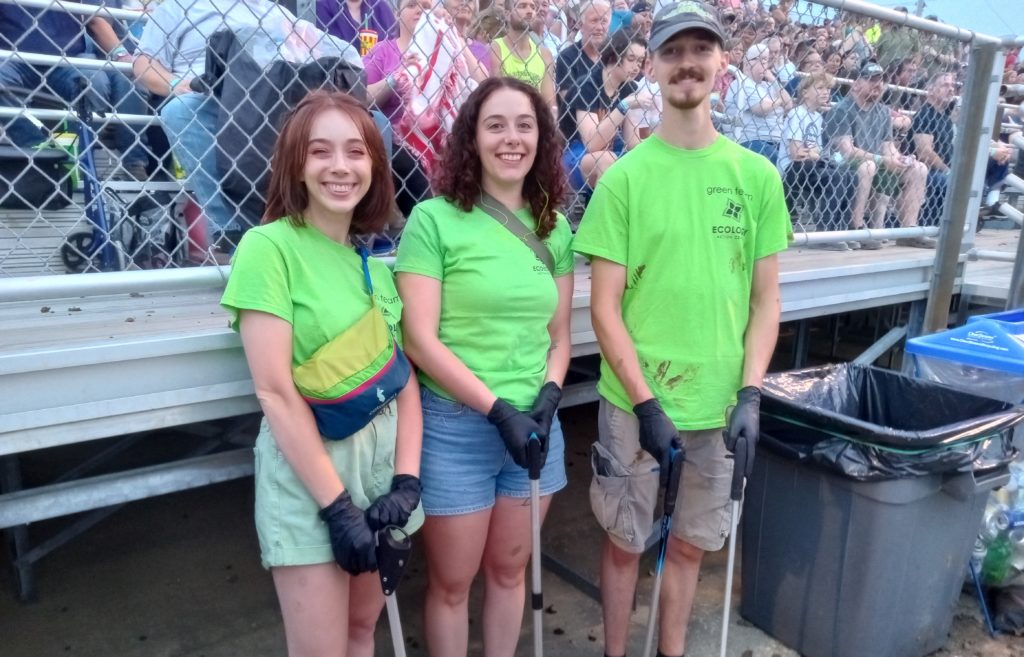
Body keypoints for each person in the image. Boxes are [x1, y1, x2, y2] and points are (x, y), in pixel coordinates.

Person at [572, 4, 788, 657]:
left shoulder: (755, 177)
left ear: (722, 64)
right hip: (635, 400)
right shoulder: (625, 179)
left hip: (716, 400)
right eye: (673, 51)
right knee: (625, 540)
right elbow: (604, 306)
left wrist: (750, 393)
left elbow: (766, 298)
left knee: (689, 542)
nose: (687, 62)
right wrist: (644, 402)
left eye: (701, 49)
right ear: (655, 67)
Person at [220, 90, 424, 657]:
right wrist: (337, 509)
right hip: (312, 485)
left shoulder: (378, 273)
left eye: (356, 152)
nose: (340, 166)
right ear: (297, 165)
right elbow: (275, 392)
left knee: (362, 634)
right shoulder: (270, 248)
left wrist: (406, 484)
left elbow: (404, 387)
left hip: (381, 478)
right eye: (320, 151)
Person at [394, 77, 574, 657]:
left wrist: (547, 398)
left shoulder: (555, 226)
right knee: (452, 583)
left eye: (524, 125)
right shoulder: (434, 220)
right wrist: (496, 410)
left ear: (541, 137)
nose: (511, 138)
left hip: (535, 428)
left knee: (509, 571)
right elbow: (419, 339)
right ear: (472, 137)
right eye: (495, 124)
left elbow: (560, 337)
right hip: (456, 428)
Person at [0, 5, 150, 180]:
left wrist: (122, 56)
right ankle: (38, 152)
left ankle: (77, 159)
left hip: (67, 57)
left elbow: (94, 18)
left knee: (95, 82)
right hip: (11, 57)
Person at [823, 59, 931, 249]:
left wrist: (901, 159)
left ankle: (909, 231)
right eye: (872, 80)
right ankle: (856, 227)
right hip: (838, 163)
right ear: (856, 84)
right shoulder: (841, 109)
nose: (878, 85)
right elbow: (846, 151)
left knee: (919, 168)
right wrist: (883, 159)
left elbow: (888, 147)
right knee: (868, 166)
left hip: (875, 162)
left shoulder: (882, 112)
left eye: (881, 81)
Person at [909, 72, 1014, 225]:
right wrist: (950, 171)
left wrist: (993, 149)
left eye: (953, 86)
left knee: (994, 162)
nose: (951, 89)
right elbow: (925, 153)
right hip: (927, 171)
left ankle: (986, 202)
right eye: (945, 85)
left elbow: (965, 140)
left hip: (948, 168)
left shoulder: (944, 117)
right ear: (930, 90)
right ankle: (955, 222)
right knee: (957, 181)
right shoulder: (925, 114)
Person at [363, 0, 434, 216]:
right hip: (396, 142)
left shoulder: (441, 52)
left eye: (426, 5)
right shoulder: (383, 51)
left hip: (436, 138)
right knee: (407, 164)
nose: (420, 10)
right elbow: (363, 97)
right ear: (397, 13)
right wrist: (396, 76)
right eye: (412, 4)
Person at [563, 30, 652, 192]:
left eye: (640, 61)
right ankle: (601, 215)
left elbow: (632, 142)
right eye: (631, 59)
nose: (636, 67)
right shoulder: (587, 87)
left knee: (647, 158)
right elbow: (592, 144)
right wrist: (623, 106)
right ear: (613, 56)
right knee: (606, 158)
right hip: (576, 155)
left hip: (612, 151)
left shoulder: (629, 88)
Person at [778, 72, 856, 243]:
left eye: (828, 89)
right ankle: (825, 232)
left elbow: (816, 152)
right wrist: (814, 154)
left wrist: (815, 154)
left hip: (812, 166)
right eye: (820, 88)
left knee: (850, 176)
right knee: (834, 175)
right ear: (805, 92)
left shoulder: (817, 117)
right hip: (793, 169)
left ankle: (841, 229)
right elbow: (796, 153)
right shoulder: (797, 113)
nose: (826, 92)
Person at [727, 42, 792, 164]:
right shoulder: (741, 83)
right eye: (759, 59)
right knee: (783, 164)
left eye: (765, 60)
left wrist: (772, 79)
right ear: (747, 63)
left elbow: (788, 104)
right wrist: (779, 101)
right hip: (751, 140)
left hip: (777, 141)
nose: (763, 64)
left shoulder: (769, 85)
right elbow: (761, 108)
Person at [555, 0, 611, 130]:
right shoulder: (567, 57)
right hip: (576, 133)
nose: (599, 27)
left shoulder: (613, 57)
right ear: (581, 24)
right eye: (594, 20)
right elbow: (571, 104)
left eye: (604, 21)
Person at [491, 0, 556, 107]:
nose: (530, 11)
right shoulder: (496, 48)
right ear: (507, 14)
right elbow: (495, 96)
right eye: (522, 6)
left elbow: (549, 104)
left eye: (533, 7)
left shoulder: (545, 55)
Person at [316, 0, 397, 50]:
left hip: (380, 73)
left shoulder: (381, 7)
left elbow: (396, 46)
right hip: (341, 75)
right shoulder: (322, 7)